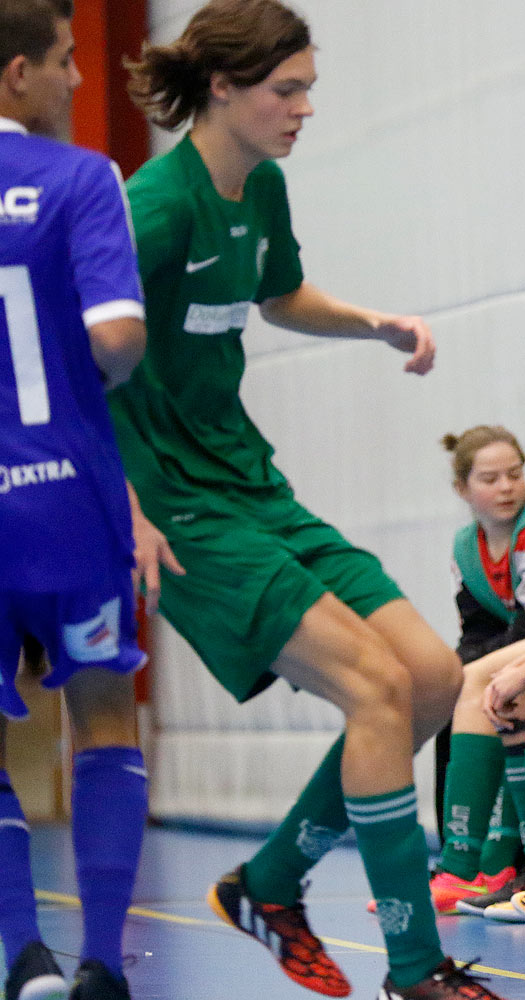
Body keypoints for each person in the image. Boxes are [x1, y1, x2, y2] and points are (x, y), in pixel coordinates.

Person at [110, 4, 500, 997]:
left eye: (309, 86)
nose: (305, 108)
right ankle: (416, 971)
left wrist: (374, 323)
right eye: (288, 89)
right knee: (371, 689)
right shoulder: (155, 208)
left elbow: (279, 292)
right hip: (177, 508)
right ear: (226, 88)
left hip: (250, 482)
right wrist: (124, 507)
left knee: (427, 676)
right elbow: (72, 363)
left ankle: (270, 885)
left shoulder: (263, 187)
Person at [0, 3, 172, 996]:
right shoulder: (78, 177)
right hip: (66, 493)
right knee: (105, 715)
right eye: (66, 63)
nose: (78, 79)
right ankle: (103, 965)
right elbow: (116, 339)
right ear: (17, 72)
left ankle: (23, 958)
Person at [426, 426, 525, 909]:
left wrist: (482, 674)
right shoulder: (465, 546)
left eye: (514, 474)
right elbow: (475, 629)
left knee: (488, 689)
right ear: (463, 489)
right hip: (513, 646)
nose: (507, 487)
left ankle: (505, 857)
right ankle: (465, 856)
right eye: (490, 478)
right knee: (451, 690)